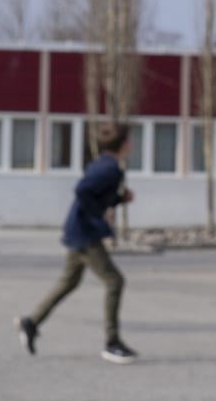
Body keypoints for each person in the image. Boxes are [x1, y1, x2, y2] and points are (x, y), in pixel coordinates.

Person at [16, 124, 138, 365]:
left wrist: (119, 199)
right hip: (85, 234)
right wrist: (100, 215)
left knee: (69, 281)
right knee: (114, 281)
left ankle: (31, 322)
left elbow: (96, 195)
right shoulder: (110, 169)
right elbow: (83, 191)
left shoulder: (102, 164)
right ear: (125, 145)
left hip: (78, 230)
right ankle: (112, 342)